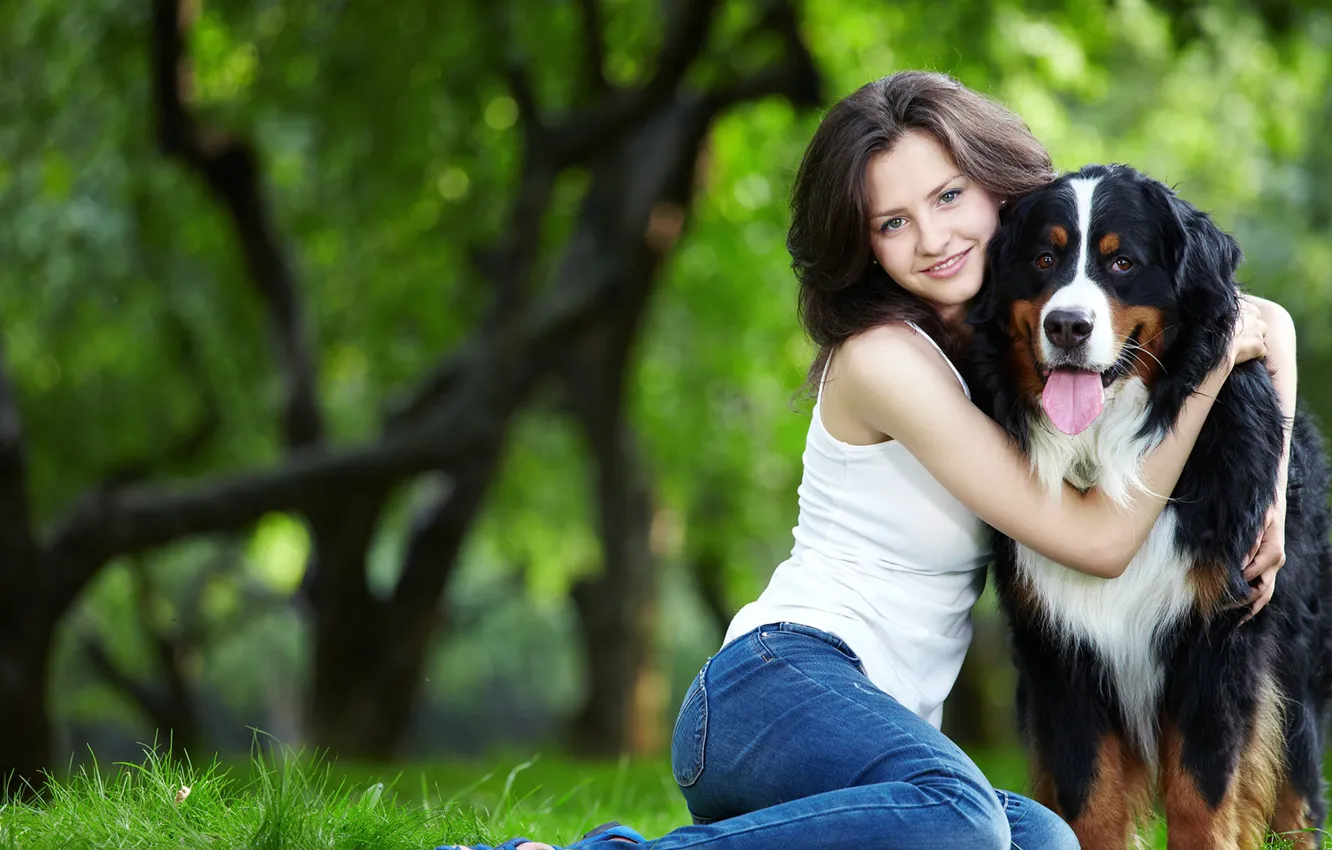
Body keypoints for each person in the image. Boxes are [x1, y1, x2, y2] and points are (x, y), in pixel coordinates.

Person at [436, 71, 1296, 850]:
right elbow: (1101, 541)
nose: (932, 237)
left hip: (867, 728)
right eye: (893, 222)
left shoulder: (1017, 337)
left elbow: (1271, 323)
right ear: (864, 246)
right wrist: (1216, 364)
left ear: (997, 185)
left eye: (949, 194)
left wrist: (1273, 509)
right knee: (960, 819)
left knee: (1044, 844)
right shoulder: (884, 359)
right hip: (771, 685)